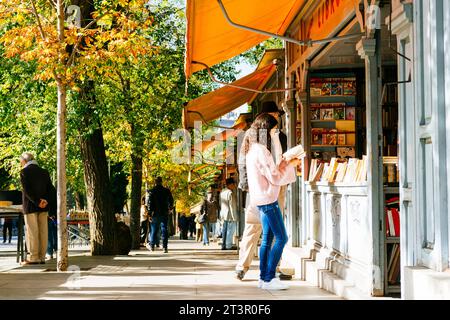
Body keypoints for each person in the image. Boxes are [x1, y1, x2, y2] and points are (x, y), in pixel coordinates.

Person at [235, 101, 291, 280]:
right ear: (266, 116)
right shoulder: (252, 135)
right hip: (258, 187)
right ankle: (242, 266)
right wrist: (246, 184)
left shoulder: (279, 135)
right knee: (253, 226)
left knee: (274, 228)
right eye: (275, 115)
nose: (277, 118)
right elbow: (243, 160)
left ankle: (273, 266)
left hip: (277, 183)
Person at [243, 114, 299, 290]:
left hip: (260, 198)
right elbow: (274, 177)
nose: (276, 132)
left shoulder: (253, 149)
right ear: (266, 130)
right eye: (274, 130)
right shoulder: (261, 151)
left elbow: (271, 172)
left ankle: (263, 277)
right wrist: (290, 164)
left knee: (267, 239)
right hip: (268, 199)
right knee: (282, 238)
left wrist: (283, 163)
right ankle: (269, 278)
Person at [19, 152, 54, 265]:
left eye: (21, 162)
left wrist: (37, 202)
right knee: (43, 231)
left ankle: (34, 258)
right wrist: (45, 200)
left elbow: (27, 191)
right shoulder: (44, 172)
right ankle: (42, 257)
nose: (20, 164)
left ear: (24, 161)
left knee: (32, 232)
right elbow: (51, 189)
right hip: (44, 206)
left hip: (31, 206)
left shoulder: (24, 172)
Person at [146, 177, 174, 253]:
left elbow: (150, 203)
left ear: (155, 182)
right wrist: (170, 208)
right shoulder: (166, 191)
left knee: (154, 230)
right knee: (164, 230)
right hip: (164, 212)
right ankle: (165, 247)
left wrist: (149, 213)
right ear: (162, 182)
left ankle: (152, 246)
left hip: (155, 213)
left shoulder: (152, 191)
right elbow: (171, 200)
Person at [220, 178, 238, 250]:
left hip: (223, 214)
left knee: (224, 230)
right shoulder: (230, 193)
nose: (234, 186)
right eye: (234, 184)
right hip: (230, 214)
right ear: (230, 184)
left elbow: (220, 204)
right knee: (230, 230)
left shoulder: (222, 192)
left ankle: (223, 245)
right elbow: (232, 206)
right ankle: (228, 245)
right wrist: (234, 217)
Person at [46, 183, 57, 260]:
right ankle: (57, 250)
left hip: (49, 215)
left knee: (49, 234)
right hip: (54, 214)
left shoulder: (45, 189)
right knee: (54, 233)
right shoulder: (53, 188)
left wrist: (49, 214)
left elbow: (49, 202)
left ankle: (50, 252)